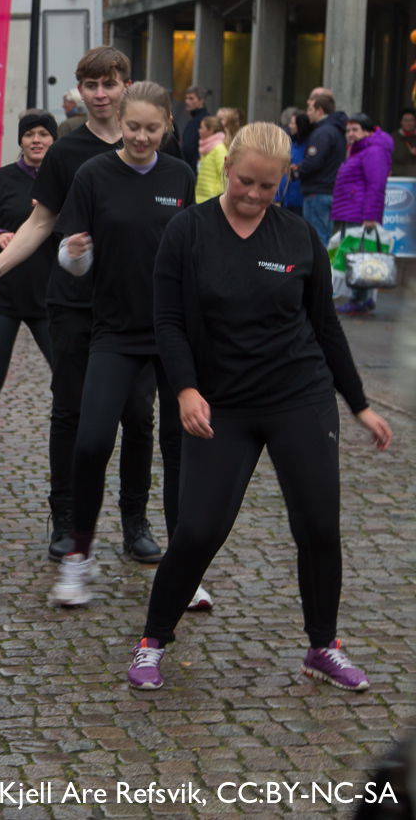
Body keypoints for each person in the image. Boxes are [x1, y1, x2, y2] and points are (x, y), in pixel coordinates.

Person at [130, 122, 392, 692]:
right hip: (221, 403)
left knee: (320, 526)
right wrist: (184, 388)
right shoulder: (187, 231)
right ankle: (152, 642)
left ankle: (323, 646)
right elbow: (168, 322)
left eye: (267, 187)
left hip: (300, 396)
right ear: (228, 169)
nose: (253, 194)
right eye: (246, 181)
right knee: (199, 529)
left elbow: (325, 327)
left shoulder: (298, 237)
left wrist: (359, 405)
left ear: (283, 183)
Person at [0, 47, 168, 565]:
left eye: (110, 84)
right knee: (71, 412)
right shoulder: (65, 153)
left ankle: (135, 521)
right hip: (76, 305)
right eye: (91, 86)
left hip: (138, 308)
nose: (101, 95)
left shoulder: (155, 143)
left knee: (139, 419)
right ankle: (67, 516)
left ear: (126, 87)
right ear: (80, 91)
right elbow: (38, 224)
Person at [49, 81, 197, 606]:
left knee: (180, 446)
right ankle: (78, 556)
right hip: (113, 327)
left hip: (172, 329)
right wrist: (75, 253)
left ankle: (185, 567)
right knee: (91, 440)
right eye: (132, 126)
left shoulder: (180, 175)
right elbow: (73, 262)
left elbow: (191, 254)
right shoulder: (94, 174)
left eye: (150, 128)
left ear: (167, 127)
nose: (139, 136)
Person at [0, 111, 59, 486]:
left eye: (44, 134)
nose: (37, 141)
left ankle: (68, 457)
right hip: (2, 295)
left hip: (50, 297)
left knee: (66, 376)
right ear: (20, 141)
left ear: (54, 140)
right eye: (30, 135)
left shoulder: (64, 181)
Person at [332, 113, 394, 316]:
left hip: (359, 214)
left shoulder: (372, 151)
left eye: (355, 130)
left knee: (359, 257)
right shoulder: (361, 150)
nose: (350, 134)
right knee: (359, 256)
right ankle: (362, 299)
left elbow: (376, 185)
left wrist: (370, 216)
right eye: (348, 130)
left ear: (367, 131)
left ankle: (359, 300)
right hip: (352, 211)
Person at [297, 91, 348, 247]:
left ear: (320, 110)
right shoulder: (336, 130)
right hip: (328, 190)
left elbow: (313, 162)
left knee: (316, 240)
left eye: (310, 109)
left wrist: (296, 171)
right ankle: (324, 270)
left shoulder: (323, 132)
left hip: (317, 192)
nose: (308, 113)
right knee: (324, 237)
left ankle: (319, 272)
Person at [277, 111, 310, 215]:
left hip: (300, 201)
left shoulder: (307, 147)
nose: (290, 126)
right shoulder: (291, 145)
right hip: (286, 200)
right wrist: (277, 197)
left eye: (293, 123)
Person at [195, 115, 227, 202]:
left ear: (211, 130)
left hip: (211, 200)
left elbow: (224, 176)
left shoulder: (219, 149)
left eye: (202, 128)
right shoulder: (206, 149)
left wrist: (217, 198)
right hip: (201, 199)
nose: (199, 130)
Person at [179, 85, 209, 169]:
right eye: (186, 98)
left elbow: (188, 150)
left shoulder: (199, 121)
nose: (187, 101)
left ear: (201, 100)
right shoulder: (194, 120)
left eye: (191, 99)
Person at [392, 108, 416, 178]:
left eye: (411, 120)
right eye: (405, 120)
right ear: (401, 122)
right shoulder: (393, 139)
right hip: (399, 179)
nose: (408, 123)